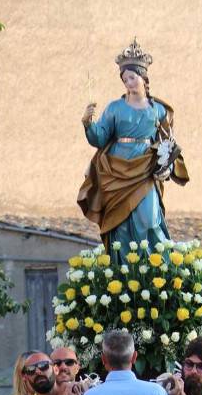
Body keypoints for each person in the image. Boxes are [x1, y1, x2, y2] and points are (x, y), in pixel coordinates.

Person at [77, 37, 188, 256]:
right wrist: (88, 123)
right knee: (120, 224)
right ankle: (125, 272)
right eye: (125, 79)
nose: (128, 83)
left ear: (143, 77)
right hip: (116, 170)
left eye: (131, 77)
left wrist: (166, 166)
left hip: (145, 169)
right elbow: (99, 138)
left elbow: (168, 143)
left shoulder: (159, 110)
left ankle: (156, 269)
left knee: (150, 217)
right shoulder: (115, 108)